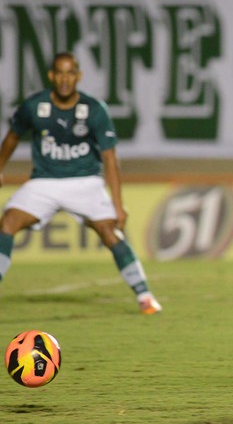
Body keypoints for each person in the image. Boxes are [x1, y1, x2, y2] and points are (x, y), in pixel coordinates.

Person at [0, 52, 162, 315]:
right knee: (7, 223)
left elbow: (110, 159)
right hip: (45, 181)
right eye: (60, 73)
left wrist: (119, 206)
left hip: (85, 182)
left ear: (79, 75)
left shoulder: (94, 110)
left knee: (110, 232)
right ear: (51, 76)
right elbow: (11, 138)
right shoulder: (34, 106)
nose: (65, 79)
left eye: (70, 73)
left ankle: (145, 296)